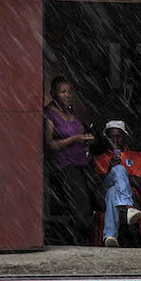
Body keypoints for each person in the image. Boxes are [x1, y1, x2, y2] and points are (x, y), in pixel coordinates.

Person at [43, 75, 97, 245]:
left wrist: (87, 138)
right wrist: (74, 140)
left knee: (95, 197)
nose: (67, 95)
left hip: (83, 163)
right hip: (65, 166)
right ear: (53, 94)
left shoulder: (71, 112)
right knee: (81, 206)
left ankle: (94, 237)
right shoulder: (49, 114)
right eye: (63, 92)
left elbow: (79, 133)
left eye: (69, 92)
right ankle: (80, 242)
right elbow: (49, 144)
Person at [91, 120, 141, 247]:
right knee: (118, 169)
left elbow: (139, 181)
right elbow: (98, 184)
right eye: (111, 137)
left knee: (113, 191)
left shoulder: (137, 156)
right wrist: (111, 170)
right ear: (106, 138)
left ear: (125, 137)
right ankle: (128, 207)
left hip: (132, 194)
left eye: (118, 136)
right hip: (103, 194)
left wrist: (120, 177)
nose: (115, 140)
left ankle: (110, 236)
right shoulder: (100, 158)